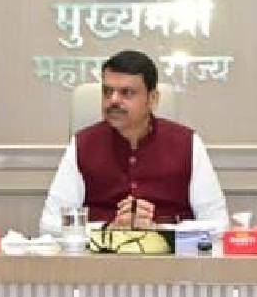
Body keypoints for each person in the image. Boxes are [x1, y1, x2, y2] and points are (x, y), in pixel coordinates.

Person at [37, 49, 227, 234]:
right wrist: (109, 229)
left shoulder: (187, 143)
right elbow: (49, 223)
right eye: (107, 91)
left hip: (169, 254)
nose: (113, 100)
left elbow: (218, 224)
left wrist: (158, 230)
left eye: (127, 93)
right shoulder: (83, 144)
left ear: (152, 99)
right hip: (102, 254)